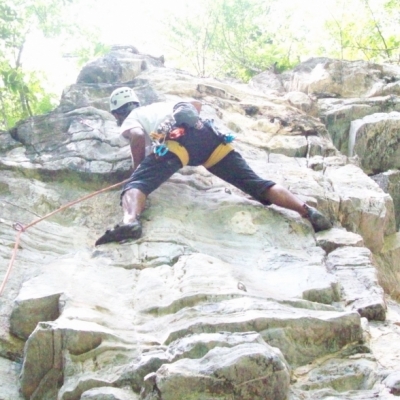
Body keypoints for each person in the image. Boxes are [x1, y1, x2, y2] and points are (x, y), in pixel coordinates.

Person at [95, 87, 332, 245]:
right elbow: (195, 105)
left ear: (117, 113)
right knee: (258, 184)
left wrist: (138, 170)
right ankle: (307, 211)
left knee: (136, 184)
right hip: (210, 139)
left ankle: (130, 223)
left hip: (179, 142)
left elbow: (136, 136)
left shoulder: (132, 117)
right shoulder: (163, 105)